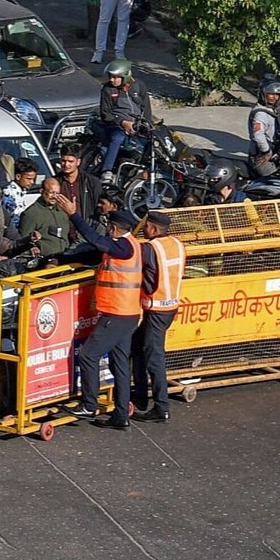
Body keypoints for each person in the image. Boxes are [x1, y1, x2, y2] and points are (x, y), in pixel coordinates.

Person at [54, 196, 142, 429]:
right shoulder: (132, 243)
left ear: (113, 228)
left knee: (88, 355)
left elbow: (95, 240)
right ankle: (121, 415)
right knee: (120, 363)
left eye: (108, 228)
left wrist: (73, 215)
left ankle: (89, 405)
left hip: (116, 314)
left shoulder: (122, 246)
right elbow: (96, 250)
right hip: (128, 313)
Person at [131, 210, 183, 422]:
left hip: (156, 310)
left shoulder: (149, 248)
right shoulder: (176, 244)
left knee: (155, 358)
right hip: (170, 308)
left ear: (153, 228)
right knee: (137, 345)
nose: (143, 229)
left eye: (145, 226)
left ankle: (161, 407)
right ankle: (141, 396)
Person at [97, 58, 153, 184]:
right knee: (117, 138)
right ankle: (107, 170)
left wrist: (147, 126)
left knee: (153, 141)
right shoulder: (108, 89)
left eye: (116, 77)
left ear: (126, 76)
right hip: (116, 125)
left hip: (137, 124)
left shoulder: (139, 86)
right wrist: (123, 122)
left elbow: (147, 110)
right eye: (111, 76)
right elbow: (106, 114)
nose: (112, 80)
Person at [56, 142, 103, 242]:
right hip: (63, 233)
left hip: (86, 233)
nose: (66, 164)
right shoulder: (55, 182)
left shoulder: (91, 182)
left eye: (70, 161)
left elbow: (98, 208)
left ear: (78, 162)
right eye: (63, 161)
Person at [17, 177, 70, 258]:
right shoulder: (31, 213)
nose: (54, 196)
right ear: (42, 191)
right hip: (45, 260)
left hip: (65, 256)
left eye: (57, 193)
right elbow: (24, 239)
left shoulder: (62, 210)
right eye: (51, 193)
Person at [248, 78, 280, 178]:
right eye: (271, 94)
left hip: (274, 154)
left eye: (277, 95)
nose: (274, 97)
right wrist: (266, 151)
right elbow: (258, 135)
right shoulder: (260, 114)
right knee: (277, 182)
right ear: (263, 95)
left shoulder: (273, 110)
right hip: (261, 157)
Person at [2, 157, 40, 229]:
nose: (32, 182)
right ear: (18, 176)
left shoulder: (21, 192)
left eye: (33, 179)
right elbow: (13, 220)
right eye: (28, 179)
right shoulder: (9, 194)